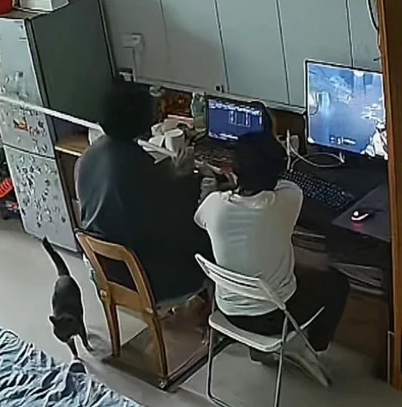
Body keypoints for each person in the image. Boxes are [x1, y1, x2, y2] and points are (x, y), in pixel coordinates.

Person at [194, 131, 349, 384]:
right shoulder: (287, 199)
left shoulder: (214, 206)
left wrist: (223, 182)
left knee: (271, 262)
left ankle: (266, 350)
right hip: (274, 317)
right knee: (337, 282)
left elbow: (201, 219)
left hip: (227, 310)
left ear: (233, 170)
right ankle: (314, 348)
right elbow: (286, 186)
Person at [75, 83, 208, 303]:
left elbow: (135, 199)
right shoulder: (137, 166)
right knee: (209, 238)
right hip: (143, 277)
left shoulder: (88, 156)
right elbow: (178, 217)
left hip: (105, 269)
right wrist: (190, 179)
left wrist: (171, 176)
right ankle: (218, 312)